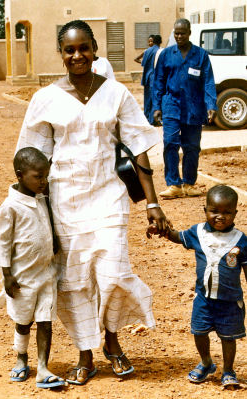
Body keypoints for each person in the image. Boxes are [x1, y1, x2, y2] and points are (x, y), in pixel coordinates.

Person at [16, 20, 168, 385]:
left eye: (84, 47)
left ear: (94, 48)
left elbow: (137, 147)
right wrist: (31, 212)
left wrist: (152, 203)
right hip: (65, 201)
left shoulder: (115, 93)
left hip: (109, 196)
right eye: (69, 50)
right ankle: (86, 353)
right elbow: (32, 157)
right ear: (62, 54)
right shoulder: (45, 99)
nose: (77, 55)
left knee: (113, 273)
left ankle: (112, 341)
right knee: (75, 281)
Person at [147, 185, 247, 388]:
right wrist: (162, 230)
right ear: (205, 210)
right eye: (214, 211)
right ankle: (206, 362)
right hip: (203, 299)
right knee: (199, 332)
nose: (220, 216)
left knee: (228, 338)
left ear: (235, 213)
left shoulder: (241, 240)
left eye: (227, 212)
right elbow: (178, 237)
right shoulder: (198, 232)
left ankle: (228, 371)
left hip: (229, 302)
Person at [0, 147, 67, 389]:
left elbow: (47, 221)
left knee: (45, 320)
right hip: (22, 277)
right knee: (23, 322)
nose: (43, 182)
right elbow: (3, 242)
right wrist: (6, 275)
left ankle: (43, 368)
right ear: (19, 175)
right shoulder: (10, 207)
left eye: (45, 176)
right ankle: (21, 358)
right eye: (38, 177)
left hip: (46, 272)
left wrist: (54, 242)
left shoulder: (42, 198)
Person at [152, 19, 217, 199]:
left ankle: (188, 183)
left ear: (189, 33)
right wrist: (156, 107)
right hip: (171, 104)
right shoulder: (166, 55)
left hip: (194, 107)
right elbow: (158, 82)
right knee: (170, 143)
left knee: (192, 147)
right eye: (176, 33)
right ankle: (173, 185)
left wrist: (211, 105)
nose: (179, 36)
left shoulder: (200, 55)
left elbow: (208, 81)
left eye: (183, 33)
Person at [141, 35, 162, 125]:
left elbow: (143, 63)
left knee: (147, 99)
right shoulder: (160, 51)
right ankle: (153, 119)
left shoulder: (147, 51)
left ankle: (147, 119)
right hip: (155, 77)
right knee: (155, 98)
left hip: (147, 77)